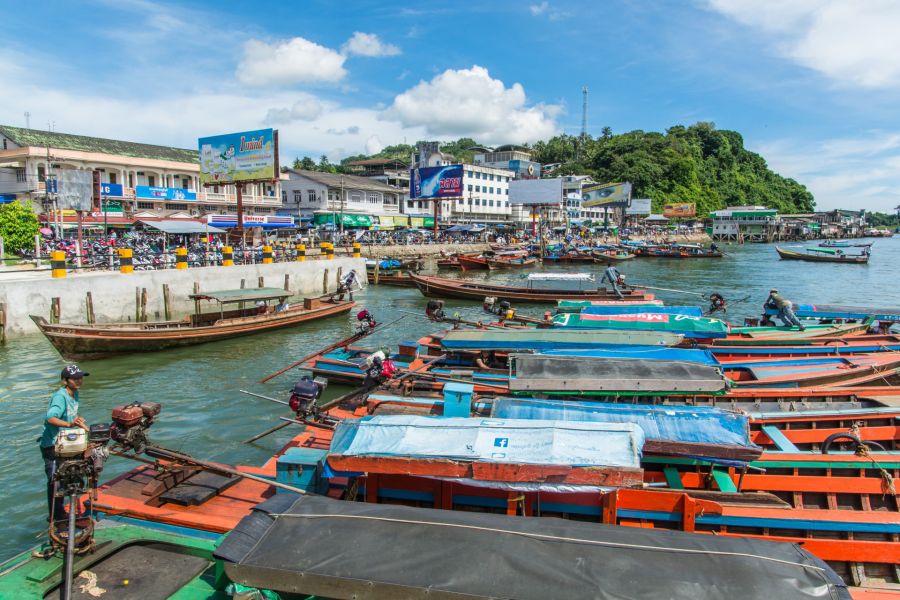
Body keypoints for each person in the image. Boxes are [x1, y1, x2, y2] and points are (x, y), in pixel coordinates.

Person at [40, 364, 90, 522]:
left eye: (80, 377)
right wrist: (70, 424)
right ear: (65, 380)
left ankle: (67, 513)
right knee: (55, 481)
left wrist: (77, 419)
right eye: (75, 379)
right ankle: (55, 517)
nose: (79, 381)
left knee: (70, 476)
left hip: (66, 443)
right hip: (52, 445)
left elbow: (70, 414)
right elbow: (51, 417)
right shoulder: (60, 396)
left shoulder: (75, 394)